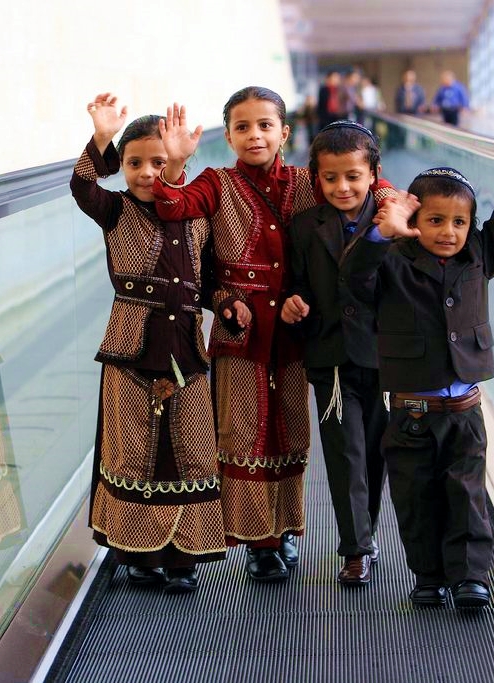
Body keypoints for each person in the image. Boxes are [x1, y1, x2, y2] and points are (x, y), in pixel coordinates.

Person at [153, 87, 394, 583]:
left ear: (285, 132)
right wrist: (174, 165)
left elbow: (376, 188)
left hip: (300, 330)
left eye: (265, 125)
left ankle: (284, 529)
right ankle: (257, 543)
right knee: (242, 436)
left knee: (290, 433)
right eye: (242, 127)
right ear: (228, 136)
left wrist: (395, 204)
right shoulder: (215, 183)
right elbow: (174, 209)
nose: (254, 135)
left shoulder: (311, 181)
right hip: (241, 332)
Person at [342, 132, 494, 608]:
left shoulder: (478, 256)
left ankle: (470, 578)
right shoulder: (392, 263)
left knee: (467, 495)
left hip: (464, 411)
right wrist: (384, 232)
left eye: (459, 222)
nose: (448, 231)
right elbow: (353, 276)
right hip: (411, 414)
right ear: (414, 218)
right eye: (435, 220)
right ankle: (428, 576)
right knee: (416, 497)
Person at [69, 93, 226, 594]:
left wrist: (226, 304)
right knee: (135, 447)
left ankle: (183, 555)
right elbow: (82, 185)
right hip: (130, 347)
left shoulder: (196, 213)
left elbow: (214, 274)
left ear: (178, 159)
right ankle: (139, 555)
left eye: (159, 161)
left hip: (186, 345)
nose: (145, 172)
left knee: (190, 448)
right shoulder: (114, 210)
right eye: (135, 163)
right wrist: (101, 138)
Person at [281, 120, 387, 586]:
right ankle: (355, 548)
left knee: (376, 453)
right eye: (330, 178)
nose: (342, 187)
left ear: (372, 174)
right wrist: (293, 300)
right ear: (314, 178)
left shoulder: (393, 222)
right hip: (331, 358)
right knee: (345, 454)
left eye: (352, 177)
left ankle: (368, 531)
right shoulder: (305, 226)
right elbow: (296, 281)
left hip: (385, 358)